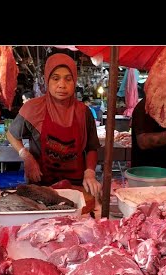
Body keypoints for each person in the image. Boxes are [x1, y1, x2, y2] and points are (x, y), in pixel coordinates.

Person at [6, 53, 102, 197]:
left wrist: (90, 172)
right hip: (40, 185)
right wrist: (26, 156)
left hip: (76, 186)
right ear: (47, 80)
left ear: (74, 81)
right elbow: (11, 134)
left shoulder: (83, 112)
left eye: (68, 79)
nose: (61, 85)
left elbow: (91, 147)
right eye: (55, 78)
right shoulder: (32, 108)